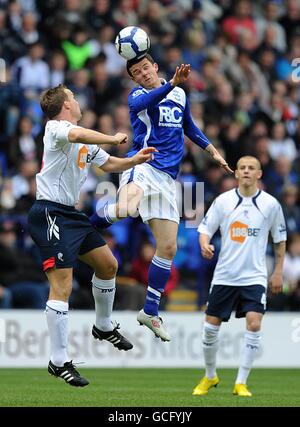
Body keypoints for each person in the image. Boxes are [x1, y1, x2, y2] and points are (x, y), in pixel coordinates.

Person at [90, 54, 233, 342]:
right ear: (133, 79)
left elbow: (189, 127)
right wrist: (171, 83)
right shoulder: (138, 96)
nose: (142, 73)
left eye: (145, 67)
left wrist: (213, 152)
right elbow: (145, 103)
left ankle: (150, 311)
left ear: (155, 66)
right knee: (127, 208)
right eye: (136, 72)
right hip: (143, 165)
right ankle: (87, 224)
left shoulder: (179, 93)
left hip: (167, 180)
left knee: (167, 247)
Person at [27, 84, 156, 387]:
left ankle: (103, 326)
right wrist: (113, 138)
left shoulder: (81, 139)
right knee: (63, 284)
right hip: (49, 213)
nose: (77, 99)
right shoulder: (56, 128)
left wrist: (135, 160)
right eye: (72, 96)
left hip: (71, 215)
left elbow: (109, 163)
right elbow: (78, 135)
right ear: (65, 106)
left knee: (108, 265)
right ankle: (58, 361)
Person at [193, 156, 287, 397]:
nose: (246, 171)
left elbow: (280, 239)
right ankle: (210, 376)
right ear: (235, 173)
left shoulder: (270, 205)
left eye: (251, 168)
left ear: (259, 174)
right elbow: (205, 228)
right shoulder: (223, 202)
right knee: (209, 329)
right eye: (242, 168)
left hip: (254, 277)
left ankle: (241, 382)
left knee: (254, 323)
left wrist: (277, 272)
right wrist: (205, 244)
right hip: (225, 275)